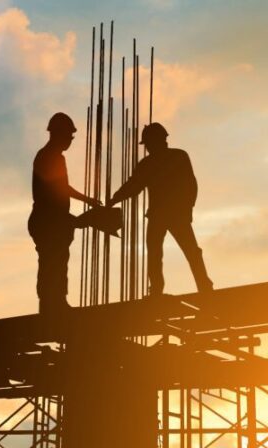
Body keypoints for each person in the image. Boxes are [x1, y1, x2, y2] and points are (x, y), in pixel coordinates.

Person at [108, 122, 213, 296]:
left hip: (171, 214)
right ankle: (174, 287)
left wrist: (187, 209)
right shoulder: (159, 161)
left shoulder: (174, 157)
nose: (148, 147)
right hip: (164, 214)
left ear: (158, 140)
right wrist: (115, 199)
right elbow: (134, 186)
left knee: (181, 251)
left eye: (148, 143)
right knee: (162, 252)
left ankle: (201, 286)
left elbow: (189, 185)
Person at [29, 112, 101, 314]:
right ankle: (52, 305)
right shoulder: (50, 157)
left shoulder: (52, 156)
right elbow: (58, 189)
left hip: (52, 220)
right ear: (58, 134)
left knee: (57, 262)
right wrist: (85, 206)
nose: (70, 140)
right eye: (69, 136)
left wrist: (85, 204)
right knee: (52, 263)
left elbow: (61, 188)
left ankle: (54, 303)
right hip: (48, 221)